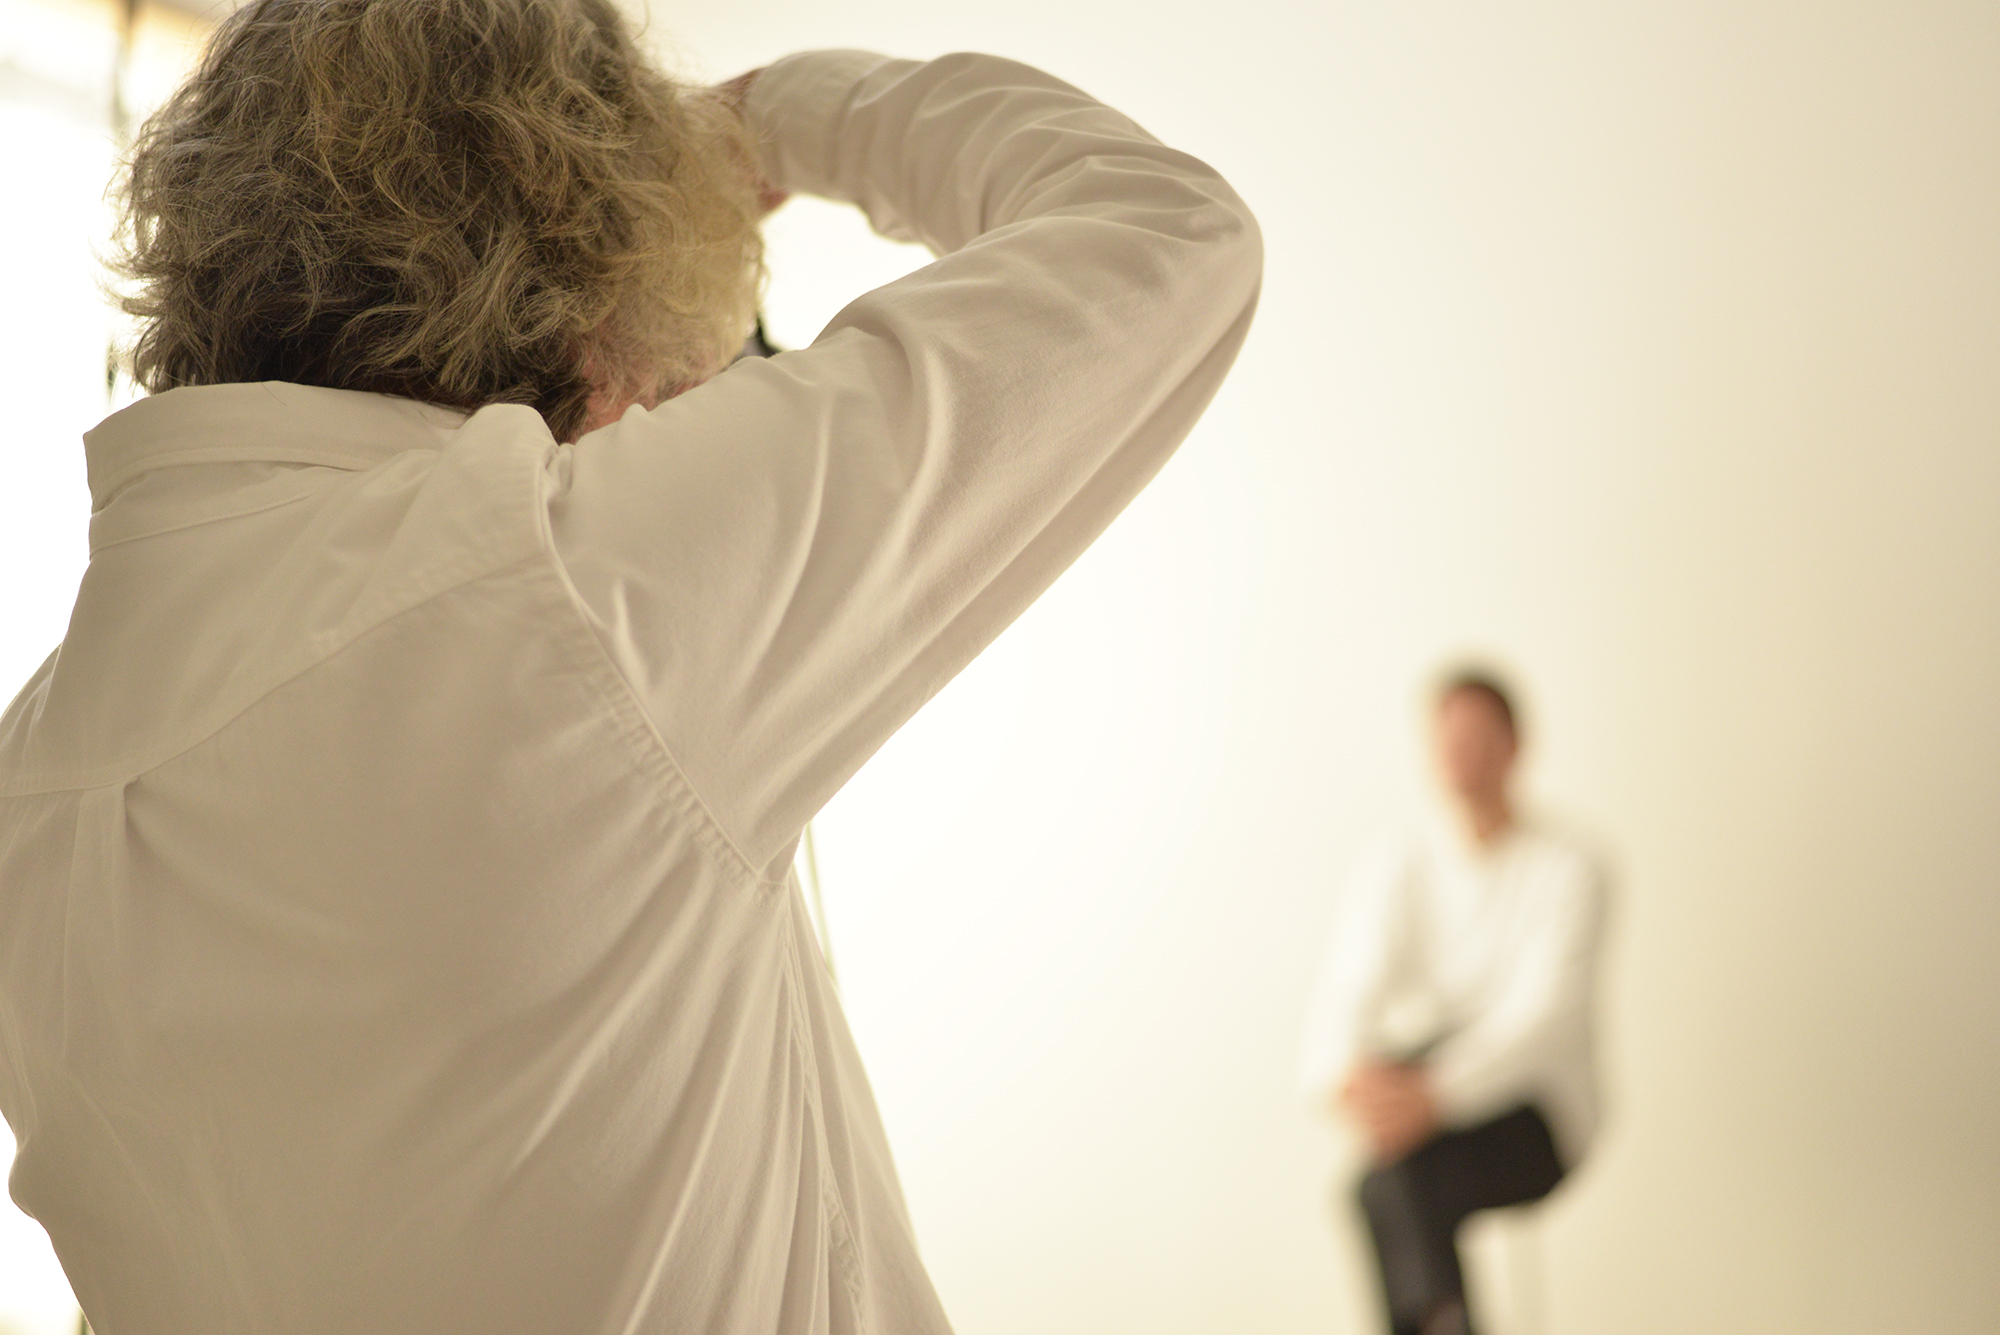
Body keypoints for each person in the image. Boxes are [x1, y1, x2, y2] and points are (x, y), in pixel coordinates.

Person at [0, 0, 1261, 1329]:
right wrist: (784, 116)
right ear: (592, 268)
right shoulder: (564, 589)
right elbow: (1163, 231)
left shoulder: (30, 780)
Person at [1298, 671, 1609, 1335]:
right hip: (1432, 1094)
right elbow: (1350, 984)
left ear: (1516, 745)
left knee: (1393, 1187)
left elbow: (1543, 1020)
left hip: (1536, 1112)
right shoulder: (1401, 861)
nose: (1465, 756)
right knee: (1378, 1186)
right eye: (1451, 741)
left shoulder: (1572, 865)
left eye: (1481, 739)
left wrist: (1434, 1095)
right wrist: (1349, 1077)